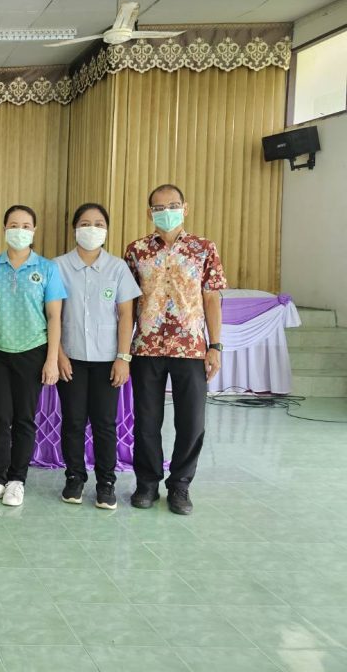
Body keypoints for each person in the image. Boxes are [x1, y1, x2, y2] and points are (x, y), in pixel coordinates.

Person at [125, 184, 226, 515]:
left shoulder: (203, 248)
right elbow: (127, 304)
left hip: (191, 349)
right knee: (147, 421)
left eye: (172, 205)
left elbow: (211, 299)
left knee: (191, 421)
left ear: (185, 208)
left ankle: (180, 484)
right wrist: (122, 351)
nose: (165, 212)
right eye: (158, 207)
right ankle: (147, 483)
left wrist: (215, 346)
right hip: (146, 348)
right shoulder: (136, 250)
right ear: (149, 212)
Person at [0, 204, 66, 507]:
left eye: (26, 226)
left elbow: (54, 317)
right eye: (13, 225)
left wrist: (51, 359)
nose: (20, 231)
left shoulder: (47, 269)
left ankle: (17, 480)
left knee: (24, 419)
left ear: (34, 231)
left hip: (33, 351)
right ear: (4, 229)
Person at [54, 203, 141, 510]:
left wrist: (123, 357)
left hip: (107, 360)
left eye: (99, 223)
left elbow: (126, 315)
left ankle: (106, 483)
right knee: (73, 422)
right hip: (71, 358)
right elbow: (51, 315)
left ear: (106, 230)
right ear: (75, 228)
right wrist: (58, 355)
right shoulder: (58, 266)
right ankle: (74, 478)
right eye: (85, 223)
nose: (92, 229)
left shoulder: (117, 268)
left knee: (105, 423)